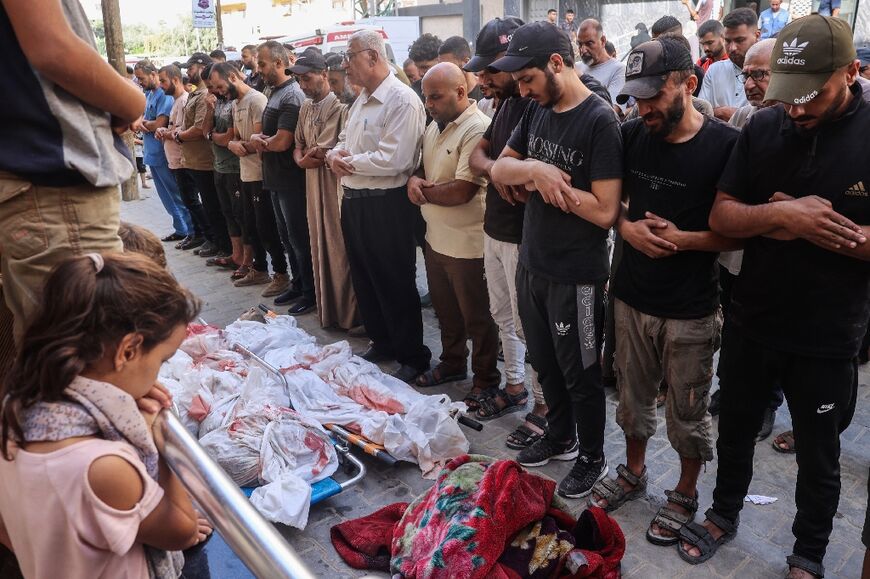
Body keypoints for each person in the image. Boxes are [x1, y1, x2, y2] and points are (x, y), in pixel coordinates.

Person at [679, 16, 869, 579]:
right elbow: (723, 216)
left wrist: (821, 228)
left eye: (813, 96)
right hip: (754, 317)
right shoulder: (765, 127)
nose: (797, 109)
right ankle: (722, 512)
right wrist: (783, 213)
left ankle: (809, 552)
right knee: (735, 427)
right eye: (789, 95)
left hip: (829, 332)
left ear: (852, 73)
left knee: (819, 452)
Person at [589, 37, 740, 548]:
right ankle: (633, 472)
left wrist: (685, 240)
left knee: (688, 410)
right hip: (631, 296)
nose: (643, 107)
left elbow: (738, 233)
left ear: (688, 84)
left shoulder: (724, 146)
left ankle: (685, 491)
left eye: (654, 94)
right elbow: (610, 202)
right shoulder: (632, 135)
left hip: (691, 308)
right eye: (636, 96)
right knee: (632, 398)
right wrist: (628, 229)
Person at [0, 252, 203, 578]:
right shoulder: (103, 465)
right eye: (162, 361)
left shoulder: (16, 412)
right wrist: (159, 440)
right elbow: (182, 530)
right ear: (128, 351)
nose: (158, 378)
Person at [490, 22, 623, 499]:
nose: (521, 90)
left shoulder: (599, 120)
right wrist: (535, 170)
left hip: (578, 276)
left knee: (582, 373)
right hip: (534, 262)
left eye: (527, 79)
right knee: (545, 365)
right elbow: (500, 166)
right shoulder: (534, 109)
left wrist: (552, 188)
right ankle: (560, 437)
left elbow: (605, 211)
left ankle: (592, 455)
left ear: (556, 64)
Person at [0, 0, 144, 345]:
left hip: (35, 182)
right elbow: (52, 47)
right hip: (53, 184)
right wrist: (132, 101)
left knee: (58, 361)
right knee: (95, 356)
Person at [326, 30, 431, 383]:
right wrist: (334, 155)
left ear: (372, 56)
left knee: (394, 280)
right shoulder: (361, 99)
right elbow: (343, 141)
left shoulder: (400, 100)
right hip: (355, 201)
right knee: (365, 277)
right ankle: (383, 341)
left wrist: (348, 161)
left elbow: (395, 159)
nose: (345, 65)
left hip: (387, 203)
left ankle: (412, 355)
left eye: (349, 56)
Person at [466, 15, 551, 450]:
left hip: (524, 234)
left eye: (490, 70)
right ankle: (515, 386)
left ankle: (543, 403)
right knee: (504, 317)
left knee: (528, 323)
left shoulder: (534, 102)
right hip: (496, 226)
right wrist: (496, 170)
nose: (483, 80)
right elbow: (479, 152)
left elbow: (526, 175)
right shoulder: (500, 103)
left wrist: (501, 169)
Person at [409, 62, 501, 409]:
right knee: (446, 313)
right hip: (436, 240)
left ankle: (486, 379)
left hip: (468, 245)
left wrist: (421, 192)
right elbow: (423, 168)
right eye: (426, 97)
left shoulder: (476, 128)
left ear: (461, 92)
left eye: (436, 96)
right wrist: (416, 180)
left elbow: (462, 190)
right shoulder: (436, 127)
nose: (429, 104)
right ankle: (451, 364)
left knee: (478, 318)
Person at [291, 49, 360, 331]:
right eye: (300, 81)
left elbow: (322, 151)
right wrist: (303, 158)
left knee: (336, 246)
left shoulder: (340, 108)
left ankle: (348, 315)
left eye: (308, 79)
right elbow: (300, 146)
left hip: (332, 187)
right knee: (317, 242)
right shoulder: (305, 107)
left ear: (323, 74)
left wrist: (308, 156)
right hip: (311, 184)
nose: (304, 86)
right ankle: (327, 312)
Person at [209, 63, 291, 298]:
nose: (218, 91)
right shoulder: (236, 103)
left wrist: (235, 144)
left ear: (233, 77)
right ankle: (260, 269)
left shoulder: (256, 101)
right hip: (243, 172)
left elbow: (258, 142)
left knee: (267, 227)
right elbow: (234, 139)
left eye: (220, 86)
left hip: (260, 173)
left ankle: (281, 273)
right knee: (249, 224)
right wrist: (235, 143)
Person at [250, 41, 315, 315]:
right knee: (287, 238)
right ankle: (298, 283)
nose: (258, 69)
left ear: (279, 63)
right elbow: (273, 139)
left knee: (299, 239)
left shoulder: (291, 94)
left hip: (290, 179)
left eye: (262, 64)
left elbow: (282, 142)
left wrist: (258, 140)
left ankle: (310, 291)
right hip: (275, 178)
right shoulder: (272, 91)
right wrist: (263, 139)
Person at [176, 52, 233, 260]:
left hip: (207, 161)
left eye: (190, 68)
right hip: (198, 160)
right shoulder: (198, 94)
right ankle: (218, 243)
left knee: (217, 208)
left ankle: (224, 245)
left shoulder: (204, 95)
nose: (188, 73)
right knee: (211, 206)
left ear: (201, 67)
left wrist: (178, 134)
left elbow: (201, 130)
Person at [133, 60, 193, 242]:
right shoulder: (149, 94)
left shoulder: (164, 95)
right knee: (166, 196)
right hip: (152, 153)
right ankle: (181, 229)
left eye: (142, 78)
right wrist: (146, 124)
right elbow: (145, 121)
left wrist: (144, 124)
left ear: (153, 74)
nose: (140, 82)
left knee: (176, 194)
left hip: (164, 153)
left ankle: (190, 230)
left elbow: (158, 124)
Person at [156, 64, 211, 251]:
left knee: (193, 200)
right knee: (188, 200)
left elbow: (185, 130)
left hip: (184, 158)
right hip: (177, 158)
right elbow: (176, 128)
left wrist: (168, 133)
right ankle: (197, 234)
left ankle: (206, 235)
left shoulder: (184, 99)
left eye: (163, 81)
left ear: (175, 80)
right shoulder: (177, 100)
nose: (161, 85)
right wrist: (166, 131)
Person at [200, 63, 247, 273]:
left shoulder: (234, 101)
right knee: (228, 213)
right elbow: (205, 131)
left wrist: (213, 137)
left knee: (240, 214)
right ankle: (236, 255)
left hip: (235, 167)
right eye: (211, 87)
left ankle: (248, 259)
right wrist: (209, 110)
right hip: (219, 165)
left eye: (215, 86)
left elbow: (228, 136)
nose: (213, 91)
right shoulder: (216, 102)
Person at [698, 8, 759, 121]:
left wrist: (737, 116)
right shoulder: (714, 70)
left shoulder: (771, 72)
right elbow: (702, 113)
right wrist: (719, 113)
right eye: (728, 41)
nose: (732, 48)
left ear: (757, 35)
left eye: (739, 40)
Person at [576, 19, 626, 107]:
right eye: (580, 44)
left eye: (589, 43)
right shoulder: (576, 68)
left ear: (603, 41)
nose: (583, 50)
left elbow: (611, 111)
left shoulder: (618, 69)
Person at [438, 36, 484, 101]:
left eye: (449, 67)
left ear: (466, 62)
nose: (443, 72)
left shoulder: (485, 91)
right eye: (440, 66)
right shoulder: (444, 94)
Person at [408, 33, 443, 103]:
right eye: (417, 67)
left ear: (440, 60)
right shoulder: (415, 90)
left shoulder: (458, 86)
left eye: (425, 67)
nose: (420, 73)